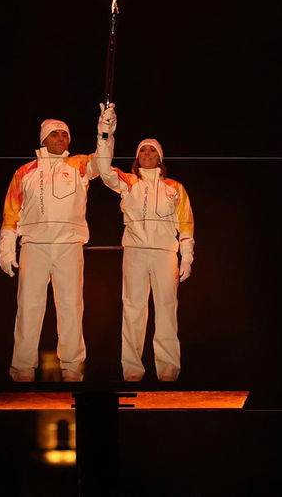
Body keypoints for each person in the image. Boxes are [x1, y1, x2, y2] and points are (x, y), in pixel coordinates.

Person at [0, 105, 116, 382]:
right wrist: (6, 244)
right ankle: (23, 371)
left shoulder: (79, 165)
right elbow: (11, 210)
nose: (60, 137)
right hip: (34, 246)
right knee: (29, 307)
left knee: (71, 307)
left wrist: (105, 130)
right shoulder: (25, 171)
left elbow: (104, 160)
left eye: (64, 134)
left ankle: (73, 369)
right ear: (43, 139)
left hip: (68, 246)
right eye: (55, 134)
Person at [93, 127, 195, 382]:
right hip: (136, 252)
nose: (147, 154)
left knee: (166, 311)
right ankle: (132, 372)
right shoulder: (129, 182)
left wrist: (187, 254)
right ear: (137, 158)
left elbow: (186, 223)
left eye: (152, 150)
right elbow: (105, 172)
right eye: (143, 150)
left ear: (160, 158)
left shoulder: (175, 188)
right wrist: (105, 133)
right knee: (133, 310)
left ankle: (168, 373)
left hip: (165, 253)